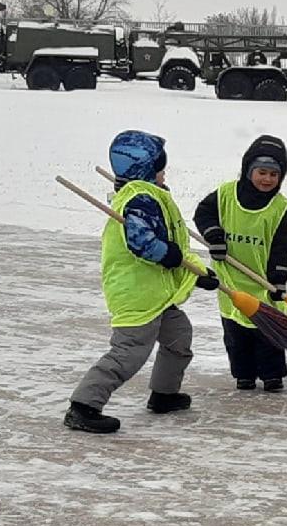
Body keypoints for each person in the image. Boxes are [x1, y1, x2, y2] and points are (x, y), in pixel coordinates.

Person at [65, 131, 220, 433]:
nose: (164, 174)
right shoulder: (140, 201)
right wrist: (170, 256)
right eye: (160, 168)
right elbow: (142, 243)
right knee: (128, 354)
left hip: (157, 294)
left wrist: (198, 274)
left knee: (179, 338)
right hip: (137, 294)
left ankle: (163, 395)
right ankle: (83, 406)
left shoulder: (150, 197)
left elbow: (178, 246)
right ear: (145, 170)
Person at [194, 135, 287, 392]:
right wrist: (214, 235)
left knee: (268, 332)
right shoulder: (226, 194)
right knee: (236, 333)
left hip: (263, 281)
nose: (267, 179)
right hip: (231, 281)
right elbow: (202, 214)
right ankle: (244, 375)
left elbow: (282, 247)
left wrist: (278, 280)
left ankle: (272, 376)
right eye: (262, 172)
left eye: (274, 174)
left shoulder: (279, 206)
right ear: (248, 169)